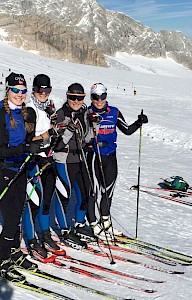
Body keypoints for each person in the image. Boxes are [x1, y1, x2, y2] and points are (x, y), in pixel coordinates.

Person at [0, 72, 43, 282]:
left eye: (22, 91)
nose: (19, 94)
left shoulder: (27, 114)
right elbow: (1, 150)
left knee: (18, 215)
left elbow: (28, 141)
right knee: (10, 221)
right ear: (8, 90)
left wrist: (40, 146)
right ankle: (3, 264)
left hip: (20, 170)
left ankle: (14, 253)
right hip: (2, 171)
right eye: (15, 90)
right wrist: (27, 147)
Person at [86, 83, 148, 239]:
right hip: (94, 154)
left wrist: (139, 122)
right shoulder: (86, 112)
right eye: (96, 97)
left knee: (108, 190)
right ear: (91, 97)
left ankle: (105, 222)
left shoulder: (114, 112)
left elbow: (126, 130)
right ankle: (93, 224)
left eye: (103, 97)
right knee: (93, 190)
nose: (99, 101)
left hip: (111, 154)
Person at [21, 74, 66, 261]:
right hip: (33, 160)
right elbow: (27, 139)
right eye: (40, 90)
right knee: (34, 202)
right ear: (33, 90)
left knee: (47, 200)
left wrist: (56, 133)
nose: (43, 93)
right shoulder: (30, 110)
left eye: (47, 90)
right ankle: (31, 241)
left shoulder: (47, 108)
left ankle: (45, 234)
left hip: (47, 159)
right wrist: (48, 135)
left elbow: (50, 134)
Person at [52, 83, 96, 249]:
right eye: (73, 98)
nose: (76, 101)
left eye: (80, 98)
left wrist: (94, 126)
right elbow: (57, 144)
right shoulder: (61, 114)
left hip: (80, 158)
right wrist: (69, 129)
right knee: (64, 195)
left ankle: (78, 225)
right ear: (67, 96)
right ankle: (64, 230)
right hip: (64, 159)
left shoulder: (85, 113)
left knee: (86, 193)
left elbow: (86, 139)